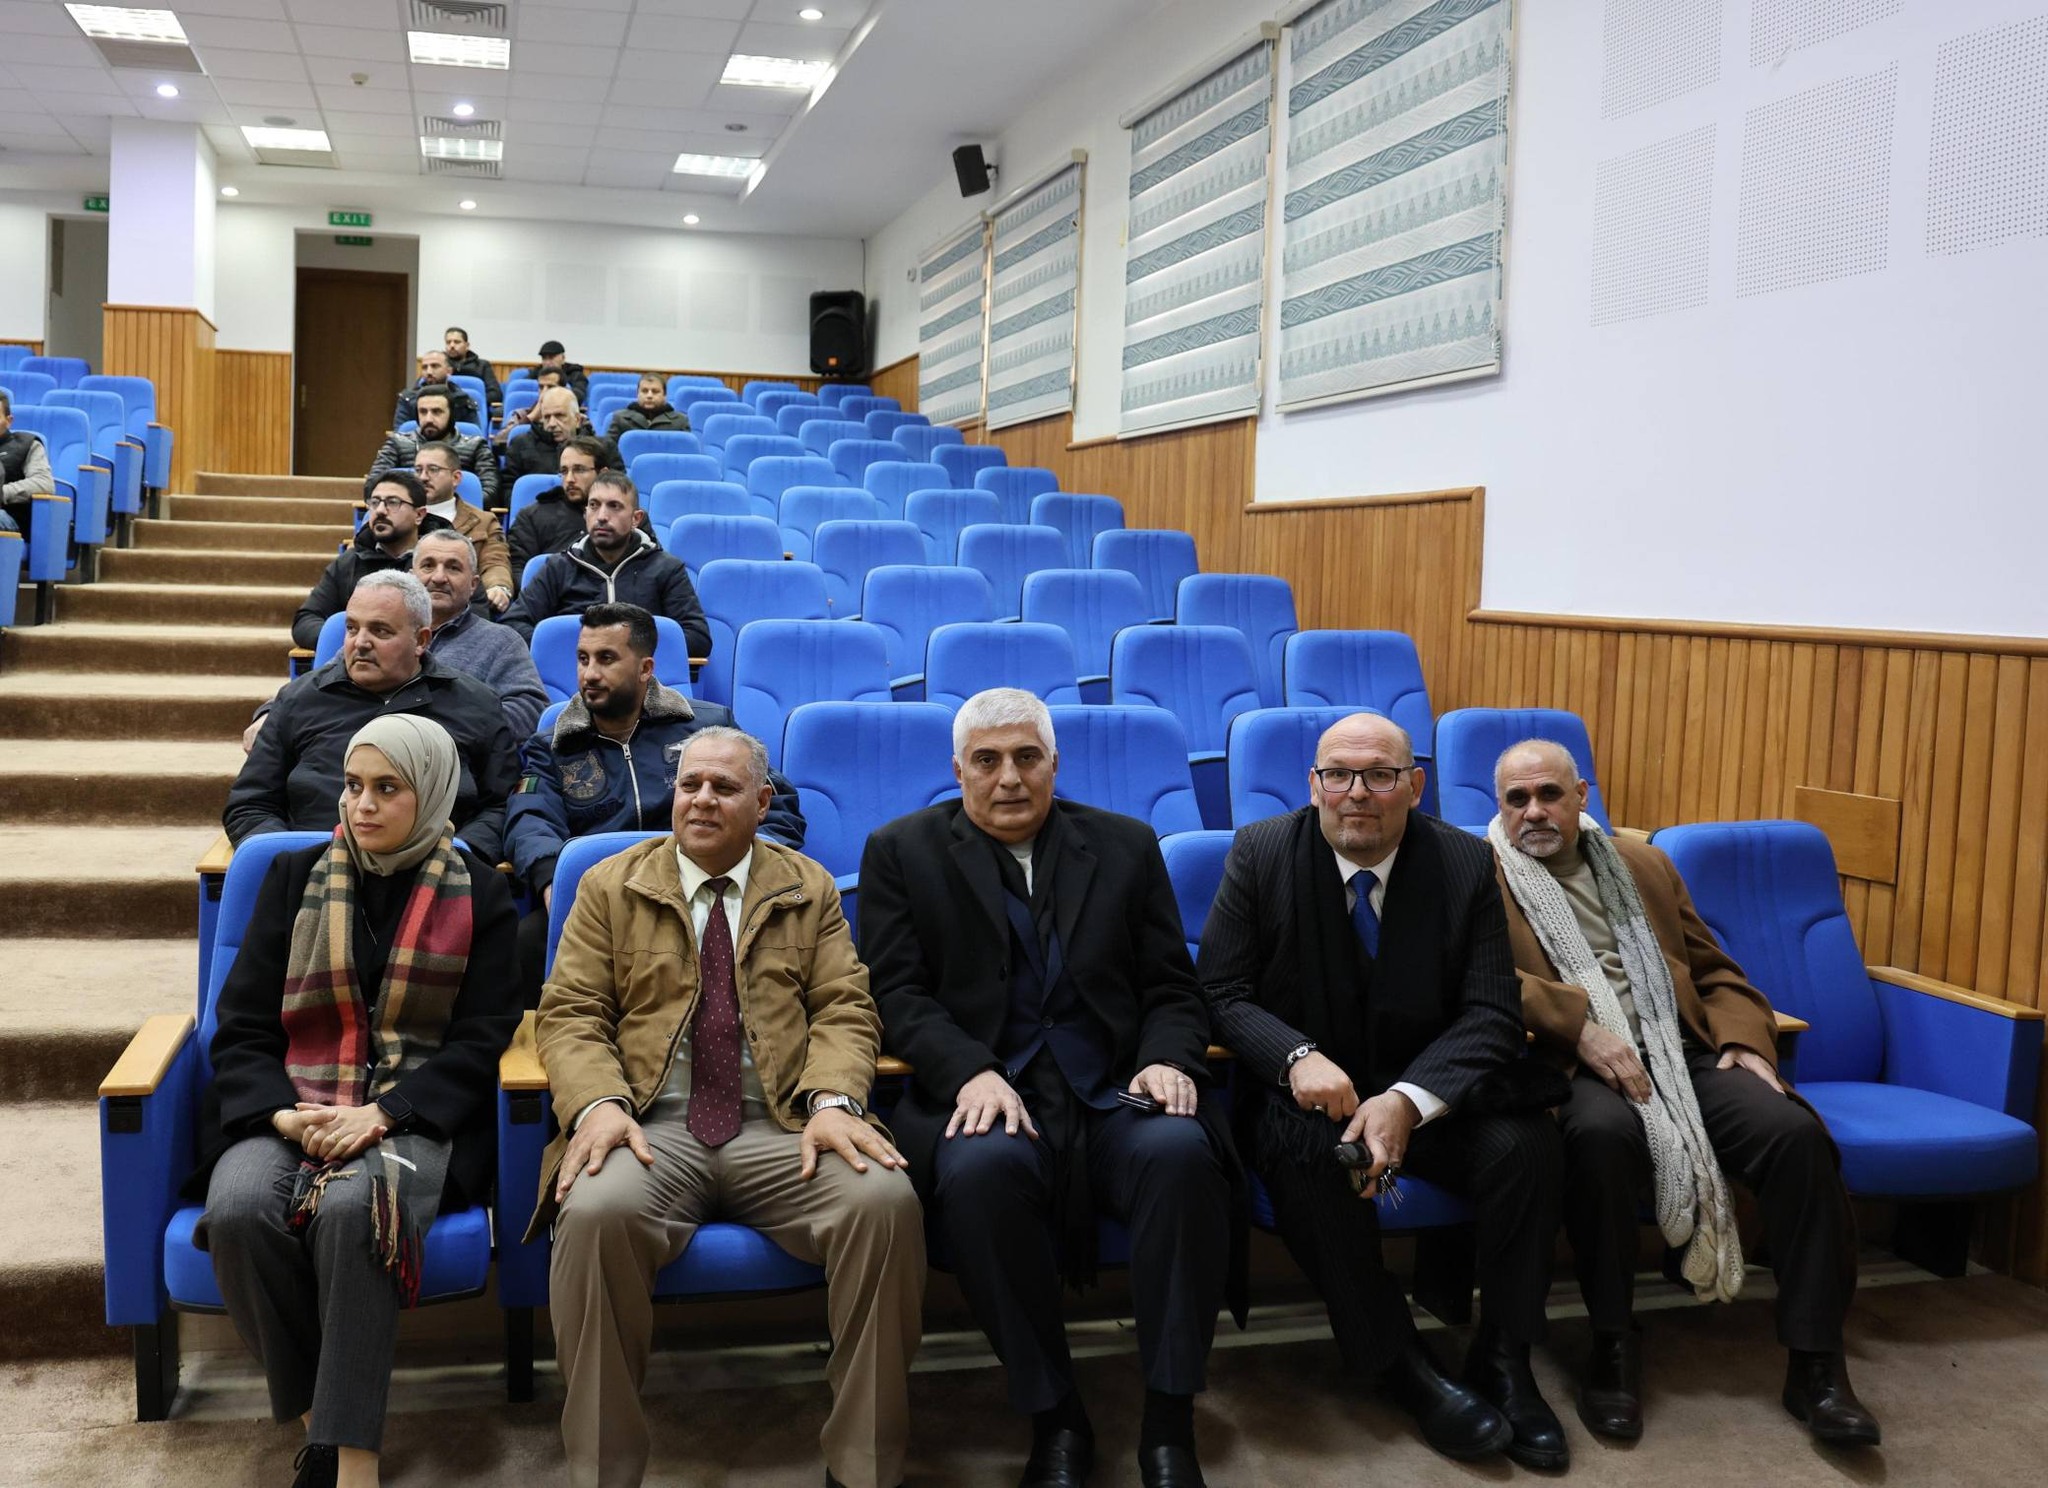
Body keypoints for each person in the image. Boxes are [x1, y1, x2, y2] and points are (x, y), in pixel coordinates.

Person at [858, 687, 1233, 1488]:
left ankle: (1170, 1424)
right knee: (980, 1173)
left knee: (1180, 1155)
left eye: (1027, 757)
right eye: (987, 760)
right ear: (958, 769)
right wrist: (970, 1070)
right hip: (988, 1089)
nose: (1009, 777)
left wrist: (1169, 1058)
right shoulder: (900, 851)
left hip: (1115, 1089)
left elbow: (1173, 987)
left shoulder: (1126, 845)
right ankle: (1056, 1415)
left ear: (1055, 764)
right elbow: (897, 995)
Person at [534, 725, 923, 1488]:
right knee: (595, 1212)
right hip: (651, 1128)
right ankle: (605, 1472)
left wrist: (835, 1101)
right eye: (690, 785)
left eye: (724, 787)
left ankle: (864, 1468)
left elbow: (845, 1007)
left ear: (763, 802)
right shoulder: (611, 884)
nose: (703, 799)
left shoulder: (807, 887)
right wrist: (598, 1105)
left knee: (884, 1202)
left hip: (783, 1125)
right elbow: (571, 1013)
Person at [1198, 712, 1568, 1469]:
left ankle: (1504, 1356)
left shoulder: (1463, 862)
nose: (1357, 792)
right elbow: (1221, 992)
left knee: (1527, 1144)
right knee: (1309, 1155)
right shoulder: (1261, 853)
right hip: (1308, 1100)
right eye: (1337, 774)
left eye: (1379, 775)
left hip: (1426, 1094)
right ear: (1314, 785)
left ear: (1415, 785)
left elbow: (1492, 1011)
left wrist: (1406, 1099)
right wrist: (1296, 1056)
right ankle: (1401, 1363)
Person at [1488, 739, 1876, 1447]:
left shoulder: (1643, 864)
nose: (1534, 811)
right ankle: (1612, 1345)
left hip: (1683, 1050)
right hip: (1571, 1064)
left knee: (1794, 1135)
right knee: (1600, 1139)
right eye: (1518, 799)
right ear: (1500, 806)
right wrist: (1580, 1029)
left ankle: (1817, 1364)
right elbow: (1482, 981)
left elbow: (1715, 972)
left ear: (1582, 796)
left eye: (1550, 794)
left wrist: (1743, 1040)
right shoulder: (1479, 875)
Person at [194, 714, 519, 1488]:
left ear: (431, 794)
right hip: (293, 1104)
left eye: (386, 788)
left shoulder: (480, 892)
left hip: (411, 1113)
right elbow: (240, 1026)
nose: (361, 804)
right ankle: (321, 1425)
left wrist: (383, 1113)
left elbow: (483, 1039)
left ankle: (353, 1465)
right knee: (237, 1208)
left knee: (353, 1212)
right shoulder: (292, 876)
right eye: (352, 785)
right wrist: (283, 1114)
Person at [506, 602, 804, 1004]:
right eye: (582, 658)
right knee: (527, 942)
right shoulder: (554, 745)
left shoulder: (707, 727)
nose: (589, 674)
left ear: (645, 668)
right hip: (601, 900)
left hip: (704, 886)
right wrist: (549, 881)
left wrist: (752, 865)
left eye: (606, 659)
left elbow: (775, 802)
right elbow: (530, 817)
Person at [225, 572, 520, 863]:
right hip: (313, 873)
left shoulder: (476, 704)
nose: (360, 643)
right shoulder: (298, 699)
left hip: (439, 874)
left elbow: (501, 806)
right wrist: (291, 863)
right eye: (352, 628)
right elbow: (250, 805)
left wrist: (459, 858)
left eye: (380, 631)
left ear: (421, 640)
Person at [501, 472, 709, 657]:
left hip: (642, 682)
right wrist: (581, 649)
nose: (601, 516)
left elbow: (697, 637)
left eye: (614, 506)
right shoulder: (559, 567)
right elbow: (512, 625)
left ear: (636, 518)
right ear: (585, 513)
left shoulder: (666, 568)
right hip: (570, 678)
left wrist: (627, 649)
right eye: (594, 505)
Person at [291, 472, 453, 650]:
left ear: (419, 515)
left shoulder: (444, 562)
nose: (380, 510)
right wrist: (357, 641)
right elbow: (306, 620)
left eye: (393, 502)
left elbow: (468, 619)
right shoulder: (349, 562)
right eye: (375, 502)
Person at [414, 529, 547, 741]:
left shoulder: (502, 642)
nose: (438, 577)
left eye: (453, 568)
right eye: (428, 565)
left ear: (473, 585)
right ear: (411, 577)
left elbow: (530, 711)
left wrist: (449, 725)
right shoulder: (382, 634)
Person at [410, 441, 514, 612]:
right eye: (418, 470)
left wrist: (498, 586)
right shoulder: (403, 516)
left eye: (433, 470)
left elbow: (495, 562)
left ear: (456, 478)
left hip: (463, 606)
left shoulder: (483, 521)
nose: (423, 477)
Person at [363, 385, 500, 511]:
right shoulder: (397, 443)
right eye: (423, 412)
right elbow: (372, 486)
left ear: (451, 415)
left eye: (437, 412)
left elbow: (491, 491)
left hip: (458, 516)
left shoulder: (475, 445)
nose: (428, 419)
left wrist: (450, 509)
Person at [508, 434, 606, 576]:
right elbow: (518, 570)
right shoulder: (531, 517)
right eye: (564, 471)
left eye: (579, 470)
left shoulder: (622, 516)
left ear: (602, 473)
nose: (569, 479)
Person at [502, 386, 590, 486]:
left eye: (559, 416)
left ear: (577, 419)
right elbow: (508, 487)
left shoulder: (595, 449)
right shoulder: (520, 445)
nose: (552, 424)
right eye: (547, 417)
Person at [0, 388, 54, 539]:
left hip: (9, 517)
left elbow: (44, 483)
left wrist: (2, 493)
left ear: (9, 421)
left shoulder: (27, 444)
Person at [393, 351, 480, 429]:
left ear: (449, 371)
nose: (429, 372)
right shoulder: (407, 399)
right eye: (424, 367)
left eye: (435, 366)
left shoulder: (464, 400)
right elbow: (400, 433)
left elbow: (473, 435)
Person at [604, 373, 690, 440]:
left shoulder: (680, 421)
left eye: (655, 391)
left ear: (665, 395)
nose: (649, 395)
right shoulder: (620, 418)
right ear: (638, 394)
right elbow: (608, 450)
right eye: (644, 391)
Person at [441, 326, 501, 420]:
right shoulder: (438, 366)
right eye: (448, 342)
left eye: (457, 342)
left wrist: (469, 401)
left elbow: (495, 394)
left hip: (475, 411)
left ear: (467, 345)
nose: (452, 345)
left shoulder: (482, 365)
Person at [528, 339, 589, 404]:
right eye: (544, 358)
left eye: (551, 358)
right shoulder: (537, 372)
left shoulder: (575, 374)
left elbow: (579, 394)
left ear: (563, 358)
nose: (547, 362)